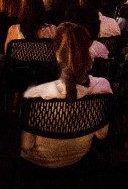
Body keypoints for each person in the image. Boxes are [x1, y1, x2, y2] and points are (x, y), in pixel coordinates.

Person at [21, 23, 112, 168]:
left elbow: (26, 146)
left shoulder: (36, 95)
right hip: (79, 159)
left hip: (39, 164)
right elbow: (101, 135)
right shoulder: (103, 87)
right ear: (88, 50)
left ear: (56, 54)